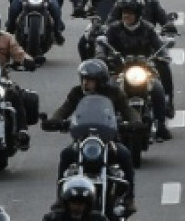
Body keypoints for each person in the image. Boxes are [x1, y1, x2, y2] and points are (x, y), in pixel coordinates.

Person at [47, 61, 139, 212]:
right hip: (83, 142)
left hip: (108, 142)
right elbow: (65, 108)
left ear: (101, 81)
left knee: (125, 155)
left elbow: (128, 110)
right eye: (83, 79)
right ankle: (59, 198)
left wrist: (135, 121)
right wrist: (55, 120)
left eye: (89, 80)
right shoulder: (76, 93)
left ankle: (129, 198)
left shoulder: (115, 93)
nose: (85, 83)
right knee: (66, 155)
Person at [100, 0, 172, 140]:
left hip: (144, 69)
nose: (126, 15)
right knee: (108, 91)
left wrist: (163, 55)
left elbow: (159, 46)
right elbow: (103, 45)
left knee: (158, 89)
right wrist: (101, 55)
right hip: (119, 70)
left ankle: (161, 125)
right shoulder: (114, 29)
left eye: (130, 12)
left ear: (138, 14)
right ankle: (107, 125)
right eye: (124, 12)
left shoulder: (148, 29)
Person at [42, 175, 109, 221]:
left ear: (88, 205)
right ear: (66, 203)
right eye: (74, 203)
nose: (77, 207)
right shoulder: (53, 218)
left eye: (81, 203)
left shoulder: (99, 219)